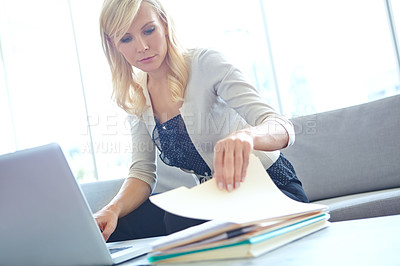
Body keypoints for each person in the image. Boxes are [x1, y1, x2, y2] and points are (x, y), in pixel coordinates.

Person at [95, 0, 309, 242]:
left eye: (148, 30)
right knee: (116, 229)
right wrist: (111, 210)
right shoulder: (137, 94)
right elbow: (142, 173)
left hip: (270, 187)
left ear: (164, 25)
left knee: (179, 222)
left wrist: (247, 136)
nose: (142, 47)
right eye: (126, 39)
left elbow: (281, 126)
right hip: (215, 198)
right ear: (114, 44)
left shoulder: (206, 63)